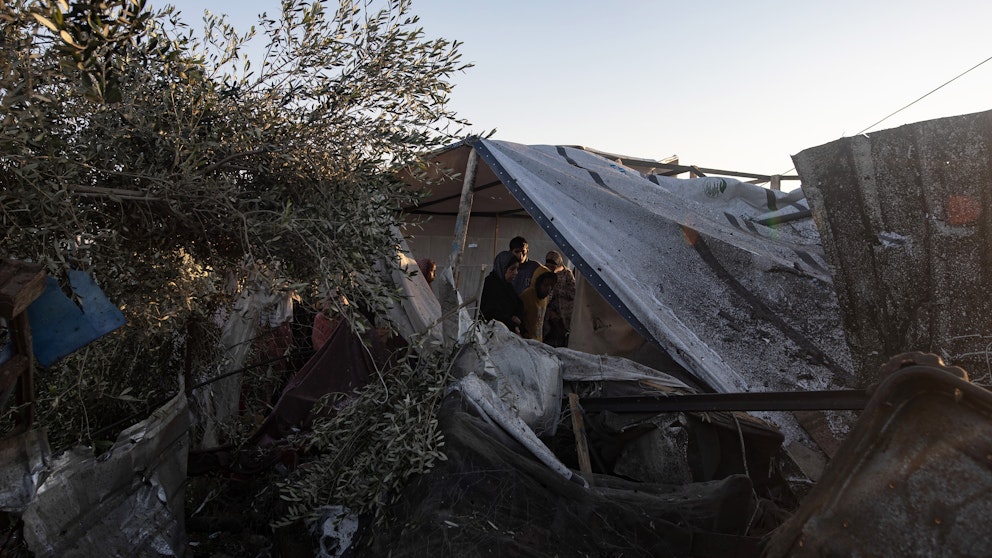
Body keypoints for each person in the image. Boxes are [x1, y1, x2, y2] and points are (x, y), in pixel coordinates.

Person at [480, 251, 526, 336]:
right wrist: (511, 323)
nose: (516, 273)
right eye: (512, 269)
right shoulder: (491, 285)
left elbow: (518, 304)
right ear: (502, 268)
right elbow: (491, 313)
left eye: (517, 269)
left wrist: (517, 316)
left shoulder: (507, 286)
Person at [544, 250, 575, 347]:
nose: (550, 267)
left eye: (553, 265)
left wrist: (559, 291)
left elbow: (573, 293)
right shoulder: (545, 273)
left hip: (564, 315)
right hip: (549, 315)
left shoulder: (567, 274)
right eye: (548, 265)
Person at [519, 264, 557, 342]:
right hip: (527, 342)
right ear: (537, 283)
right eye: (545, 285)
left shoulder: (545, 298)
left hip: (538, 342)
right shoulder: (526, 296)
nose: (548, 289)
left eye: (551, 286)